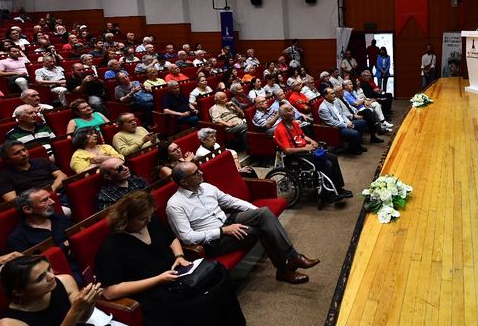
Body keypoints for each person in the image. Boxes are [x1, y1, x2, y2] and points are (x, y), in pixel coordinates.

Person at [95, 191, 247, 325]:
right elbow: (110, 291)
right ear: (125, 219)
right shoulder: (112, 246)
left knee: (219, 274)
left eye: (150, 216)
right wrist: (158, 279)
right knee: (200, 302)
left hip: (176, 276)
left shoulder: (151, 222)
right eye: (142, 219)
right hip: (152, 292)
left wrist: (179, 256)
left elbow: (172, 239)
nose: (148, 221)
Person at [166, 161, 319, 283]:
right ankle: (284, 270)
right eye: (196, 172)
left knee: (264, 214)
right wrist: (223, 231)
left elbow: (231, 201)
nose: (201, 172)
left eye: (199, 169)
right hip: (214, 239)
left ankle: (292, 257)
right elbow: (187, 237)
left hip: (227, 220)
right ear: (184, 182)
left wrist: (257, 213)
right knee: (262, 230)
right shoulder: (175, 205)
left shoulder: (205, 187)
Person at [0, 254, 104, 326]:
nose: (51, 276)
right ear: (18, 292)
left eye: (48, 269)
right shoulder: (8, 323)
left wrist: (90, 303)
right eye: (40, 278)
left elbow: (81, 320)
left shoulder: (65, 281)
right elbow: (75, 315)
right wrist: (75, 310)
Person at [274, 105, 352, 204]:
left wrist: (312, 141)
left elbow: (303, 136)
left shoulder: (294, 124)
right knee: (326, 164)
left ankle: (338, 187)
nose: (293, 112)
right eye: (290, 111)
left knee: (333, 157)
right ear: (284, 116)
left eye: (292, 109)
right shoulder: (280, 130)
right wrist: (305, 148)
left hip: (305, 150)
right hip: (296, 155)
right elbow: (287, 150)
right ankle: (326, 195)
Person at [0, 141, 67, 203]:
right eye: (17, 153)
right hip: (38, 205)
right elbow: (13, 200)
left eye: (24, 150)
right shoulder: (3, 177)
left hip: (61, 193)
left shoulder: (42, 161)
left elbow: (62, 176)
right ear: (7, 160)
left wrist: (51, 190)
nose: (23, 154)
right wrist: (44, 196)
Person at [318, 88, 369, 154]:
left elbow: (342, 114)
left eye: (334, 93)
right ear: (326, 96)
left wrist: (348, 122)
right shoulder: (323, 108)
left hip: (344, 123)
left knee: (363, 122)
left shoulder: (334, 102)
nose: (334, 95)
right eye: (332, 93)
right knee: (355, 133)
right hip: (337, 128)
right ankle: (353, 149)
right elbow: (331, 122)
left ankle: (356, 145)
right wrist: (346, 125)